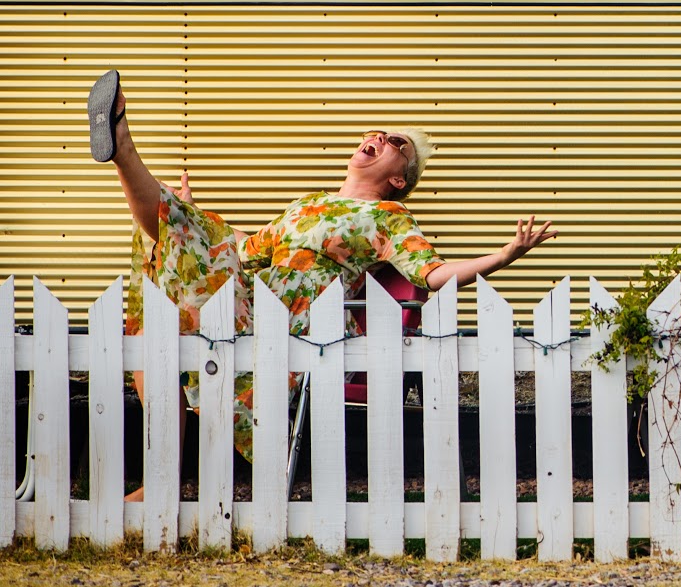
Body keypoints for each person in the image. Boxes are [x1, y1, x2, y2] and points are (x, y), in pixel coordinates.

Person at [88, 69, 557, 467]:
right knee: (166, 270)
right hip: (249, 304)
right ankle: (124, 148)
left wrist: (503, 255)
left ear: (398, 179)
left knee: (178, 235)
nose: (377, 137)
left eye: (395, 143)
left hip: (292, 330)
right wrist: (189, 216)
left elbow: (429, 275)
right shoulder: (306, 205)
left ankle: (125, 147)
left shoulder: (387, 217)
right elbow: (245, 247)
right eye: (376, 132)